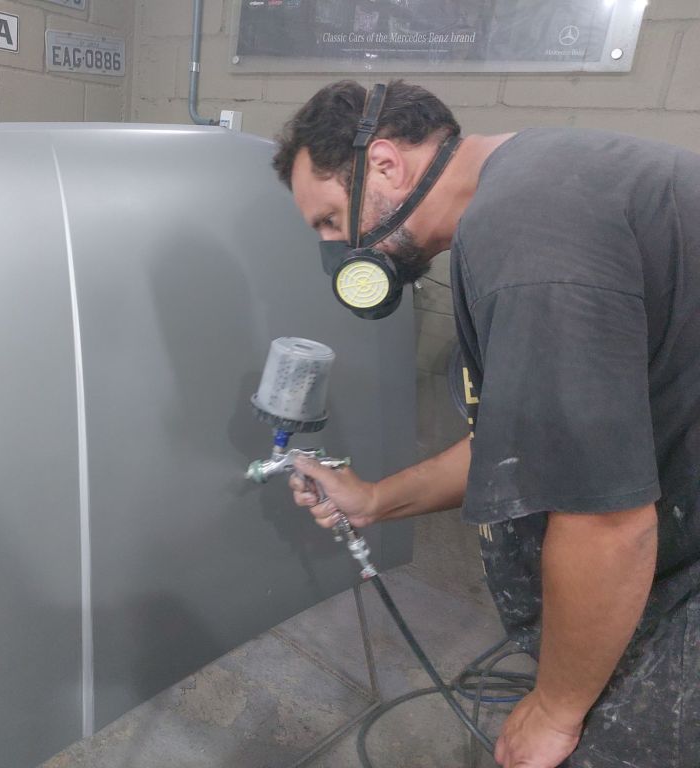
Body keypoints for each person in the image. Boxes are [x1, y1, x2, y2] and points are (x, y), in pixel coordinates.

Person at [272, 79, 700, 768]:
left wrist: (556, 711)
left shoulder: (525, 233)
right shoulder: (534, 184)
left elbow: (605, 519)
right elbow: (525, 449)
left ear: (385, 164)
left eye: (327, 220)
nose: (332, 248)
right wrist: (375, 501)